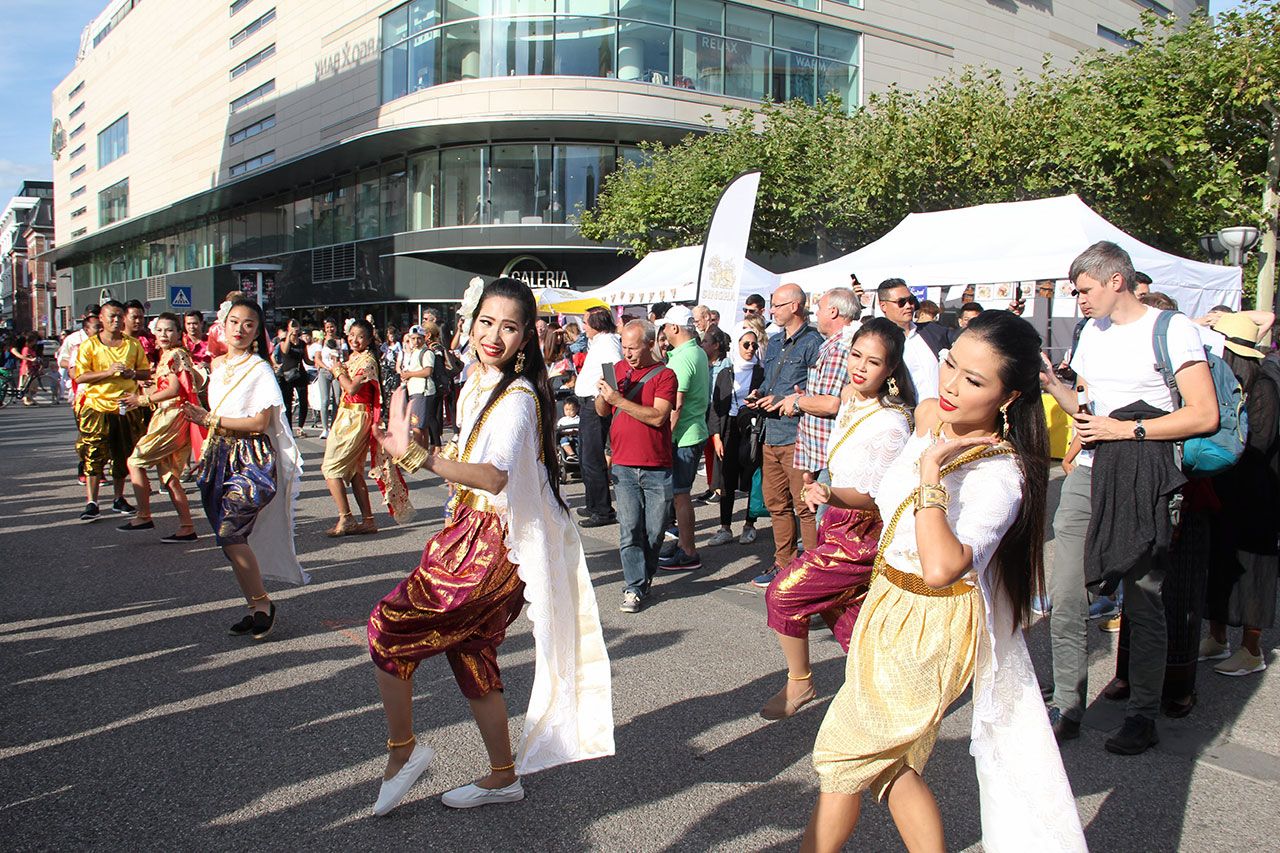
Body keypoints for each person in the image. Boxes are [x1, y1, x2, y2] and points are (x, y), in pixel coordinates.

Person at [804, 311, 1085, 853]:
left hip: (931, 623)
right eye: (950, 364)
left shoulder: (999, 473)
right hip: (884, 602)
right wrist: (835, 495)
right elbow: (886, 501)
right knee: (887, 764)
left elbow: (941, 567)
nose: (952, 385)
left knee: (841, 754)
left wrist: (933, 475)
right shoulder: (931, 416)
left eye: (974, 381)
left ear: (1008, 397)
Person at [366, 277, 613, 815]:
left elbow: (495, 477)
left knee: (387, 627)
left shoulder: (520, 398)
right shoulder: (477, 379)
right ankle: (504, 776)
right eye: (486, 322)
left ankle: (403, 750)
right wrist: (412, 450)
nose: (494, 335)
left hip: (493, 543)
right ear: (471, 323)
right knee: (469, 649)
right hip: (470, 528)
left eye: (509, 327)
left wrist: (419, 459)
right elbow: (469, 461)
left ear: (527, 337)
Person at [1039, 241, 1219, 755]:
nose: (1080, 301)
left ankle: (1142, 715)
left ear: (1116, 279)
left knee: (1144, 597)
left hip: (1143, 477)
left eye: (1085, 290)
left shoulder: (1172, 329)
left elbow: (1204, 415)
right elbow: (1090, 407)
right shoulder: (1090, 334)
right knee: (1068, 592)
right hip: (1091, 475)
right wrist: (1054, 386)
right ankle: (1068, 706)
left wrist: (1125, 431)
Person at [762, 319, 915, 721]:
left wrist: (830, 493)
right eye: (856, 356)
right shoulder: (851, 397)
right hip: (837, 521)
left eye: (873, 361)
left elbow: (877, 496)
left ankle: (801, 680)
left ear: (891, 369)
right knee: (846, 614)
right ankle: (884, 691)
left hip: (861, 532)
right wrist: (819, 482)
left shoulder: (892, 422)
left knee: (784, 593)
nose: (860, 367)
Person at [181, 298, 306, 640]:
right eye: (234, 322)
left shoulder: (260, 370)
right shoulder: (217, 364)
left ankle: (262, 604)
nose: (240, 329)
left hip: (250, 459)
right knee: (228, 539)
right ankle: (256, 605)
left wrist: (209, 419)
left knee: (230, 533)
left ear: (256, 333)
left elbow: (259, 421)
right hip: (217, 457)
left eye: (248, 324)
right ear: (223, 325)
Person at [1203, 313, 1278, 676]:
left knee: (1253, 571)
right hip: (1225, 490)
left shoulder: (1263, 387)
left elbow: (1258, 444)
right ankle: (1217, 637)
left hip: (1255, 496)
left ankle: (1252, 648)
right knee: (1219, 564)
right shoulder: (1226, 383)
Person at [594, 319, 678, 613]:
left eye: (633, 348)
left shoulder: (665, 375)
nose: (627, 354)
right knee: (629, 529)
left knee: (654, 532)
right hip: (624, 464)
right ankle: (634, 586)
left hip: (656, 464)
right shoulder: (617, 370)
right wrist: (605, 396)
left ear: (650, 344)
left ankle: (645, 577)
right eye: (624, 347)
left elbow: (658, 417)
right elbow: (602, 410)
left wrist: (619, 399)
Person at [748, 283, 823, 587]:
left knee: (804, 506)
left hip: (797, 436)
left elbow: (816, 392)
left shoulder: (813, 342)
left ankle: (814, 571)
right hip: (771, 432)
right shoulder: (776, 342)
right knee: (776, 503)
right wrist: (760, 393)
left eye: (777, 305)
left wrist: (791, 400)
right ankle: (785, 563)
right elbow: (770, 382)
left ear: (795, 306)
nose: (772, 311)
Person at [118, 313, 205, 542]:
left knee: (135, 460)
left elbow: (175, 389)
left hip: (172, 416)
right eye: (159, 330)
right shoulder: (169, 354)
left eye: (169, 330)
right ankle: (187, 527)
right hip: (171, 415)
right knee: (170, 477)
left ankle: (144, 514)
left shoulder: (175, 354)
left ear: (178, 333)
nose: (164, 335)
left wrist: (143, 400)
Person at [779, 288, 861, 532]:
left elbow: (832, 403)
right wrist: (806, 398)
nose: (816, 314)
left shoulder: (839, 349)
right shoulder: (832, 345)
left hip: (829, 455)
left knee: (825, 526)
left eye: (819, 309)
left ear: (833, 311)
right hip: (821, 453)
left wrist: (796, 401)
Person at [74, 301, 150, 521]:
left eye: (119, 316)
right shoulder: (90, 345)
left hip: (125, 406)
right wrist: (107, 372)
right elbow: (80, 376)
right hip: (97, 406)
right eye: (111, 317)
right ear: (101, 318)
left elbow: (145, 372)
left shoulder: (133, 344)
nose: (116, 321)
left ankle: (119, 497)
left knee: (124, 453)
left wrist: (132, 374)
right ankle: (92, 501)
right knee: (94, 452)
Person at [656, 305, 710, 572]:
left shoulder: (682, 358)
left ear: (674, 328)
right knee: (681, 494)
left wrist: (664, 437)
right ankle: (684, 546)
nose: (663, 332)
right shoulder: (696, 352)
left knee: (680, 495)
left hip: (684, 435)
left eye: (665, 326)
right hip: (694, 430)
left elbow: (676, 405)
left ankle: (688, 550)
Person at [322, 319, 383, 537]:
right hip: (347, 414)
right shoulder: (355, 358)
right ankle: (368, 520)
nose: (354, 339)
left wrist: (339, 371)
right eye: (351, 335)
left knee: (330, 468)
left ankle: (346, 517)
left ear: (368, 340)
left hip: (356, 418)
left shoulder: (367, 361)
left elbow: (352, 387)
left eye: (360, 336)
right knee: (355, 471)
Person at [706, 324, 766, 546]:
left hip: (751, 426)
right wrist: (716, 436)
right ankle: (725, 527)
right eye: (746, 344)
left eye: (754, 345)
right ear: (737, 346)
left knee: (751, 475)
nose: (750, 349)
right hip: (729, 426)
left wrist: (757, 399)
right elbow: (716, 405)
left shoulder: (761, 372)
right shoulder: (726, 372)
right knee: (727, 478)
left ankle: (749, 525)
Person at [575, 307, 622, 527]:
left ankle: (603, 510)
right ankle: (594, 503)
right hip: (588, 404)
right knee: (586, 457)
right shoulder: (600, 341)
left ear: (596, 323)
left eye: (586, 322)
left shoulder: (608, 342)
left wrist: (604, 395)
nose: (584, 326)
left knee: (592, 458)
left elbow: (613, 369)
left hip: (595, 404)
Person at [878, 279, 941, 397]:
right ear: (883, 306)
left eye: (911, 300)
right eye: (901, 302)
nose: (908, 306)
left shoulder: (932, 332)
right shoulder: (879, 343)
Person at [400, 325, 439, 450]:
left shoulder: (426, 352)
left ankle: (418, 452)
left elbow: (427, 371)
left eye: (419, 338)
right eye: (413, 338)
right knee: (422, 424)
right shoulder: (413, 353)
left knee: (416, 425)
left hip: (423, 391)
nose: (416, 341)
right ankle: (423, 451)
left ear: (424, 338)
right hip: (415, 390)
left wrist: (409, 374)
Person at [272, 319, 310, 434]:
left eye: (296, 326)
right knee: (287, 402)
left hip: (300, 374)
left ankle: (300, 427)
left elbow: (307, 359)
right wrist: (289, 334)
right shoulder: (283, 342)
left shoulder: (302, 343)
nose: (295, 328)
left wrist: (317, 362)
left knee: (303, 401)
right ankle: (288, 428)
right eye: (292, 326)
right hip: (287, 375)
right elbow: (285, 351)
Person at [314, 317, 344, 439]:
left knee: (337, 399)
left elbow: (345, 357)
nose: (330, 329)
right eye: (327, 327)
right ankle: (325, 428)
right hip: (324, 372)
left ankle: (334, 426)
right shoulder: (321, 341)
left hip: (337, 372)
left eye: (332, 326)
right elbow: (317, 358)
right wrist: (326, 367)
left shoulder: (341, 341)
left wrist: (338, 365)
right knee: (325, 400)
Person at [124, 300, 158, 366]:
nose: (138, 321)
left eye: (141, 317)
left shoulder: (150, 340)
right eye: (134, 317)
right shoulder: (118, 340)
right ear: (124, 318)